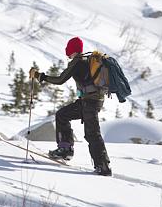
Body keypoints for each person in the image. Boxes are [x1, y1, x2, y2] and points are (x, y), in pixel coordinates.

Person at [29, 36, 112, 176]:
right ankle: (65, 149)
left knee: (92, 133)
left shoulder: (78, 62)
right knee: (62, 115)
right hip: (91, 101)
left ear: (71, 50)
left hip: (89, 102)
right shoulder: (86, 61)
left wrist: (40, 76)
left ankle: (103, 166)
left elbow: (61, 79)